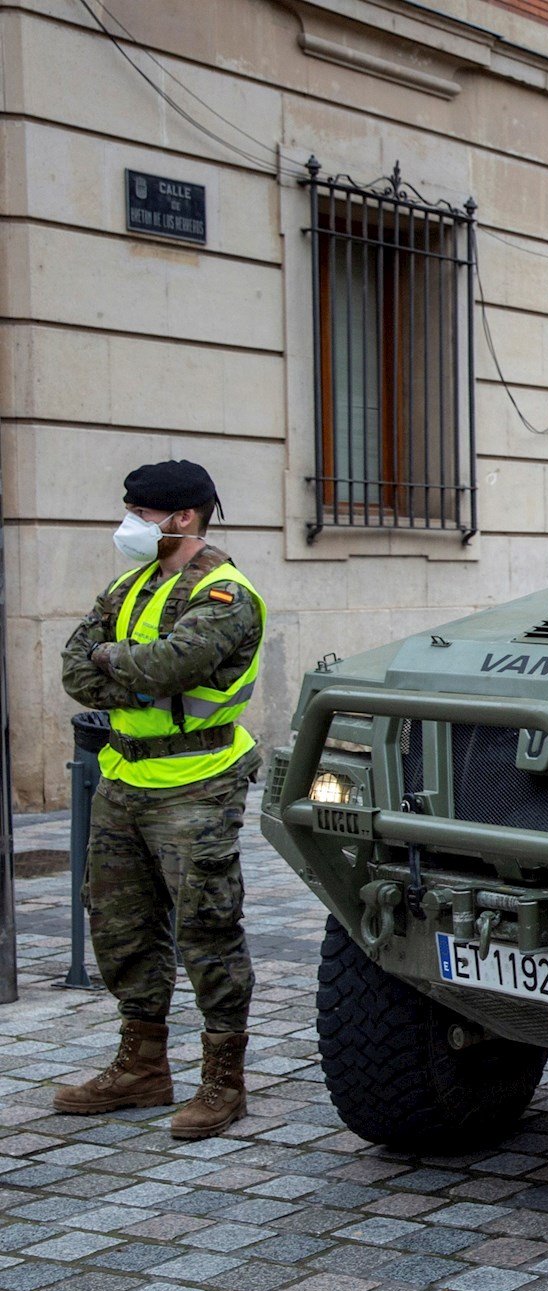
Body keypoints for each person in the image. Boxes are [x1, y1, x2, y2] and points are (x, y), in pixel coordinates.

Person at [55, 461, 267, 1139]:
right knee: (119, 925)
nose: (128, 524)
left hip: (197, 781)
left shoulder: (227, 595)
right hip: (124, 776)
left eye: (139, 513)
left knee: (207, 928)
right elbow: (72, 665)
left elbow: (169, 666)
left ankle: (222, 1081)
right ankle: (142, 1064)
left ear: (181, 518)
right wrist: (131, 672)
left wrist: (117, 664)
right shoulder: (131, 583)